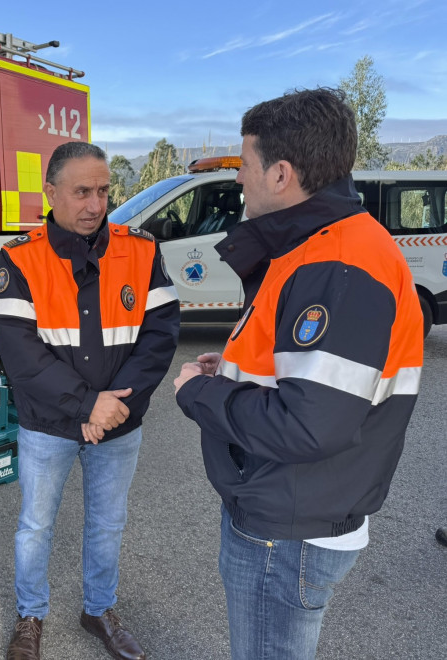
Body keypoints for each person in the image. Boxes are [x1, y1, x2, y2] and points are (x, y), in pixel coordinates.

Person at [173, 88, 424, 660]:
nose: (239, 180)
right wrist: (232, 372)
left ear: (281, 173)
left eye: (245, 165)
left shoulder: (337, 263)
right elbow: (302, 377)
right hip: (287, 508)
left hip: (288, 528)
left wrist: (199, 394)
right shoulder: (320, 247)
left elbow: (311, 425)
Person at [0, 141, 180, 660]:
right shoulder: (19, 256)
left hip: (118, 423)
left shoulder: (140, 249)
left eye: (102, 191)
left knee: (107, 523)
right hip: (48, 425)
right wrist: (87, 405)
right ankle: (30, 616)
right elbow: (21, 355)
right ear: (50, 193)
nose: (95, 204)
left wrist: (115, 405)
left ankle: (99, 609)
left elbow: (161, 333)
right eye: (81, 192)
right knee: (35, 525)